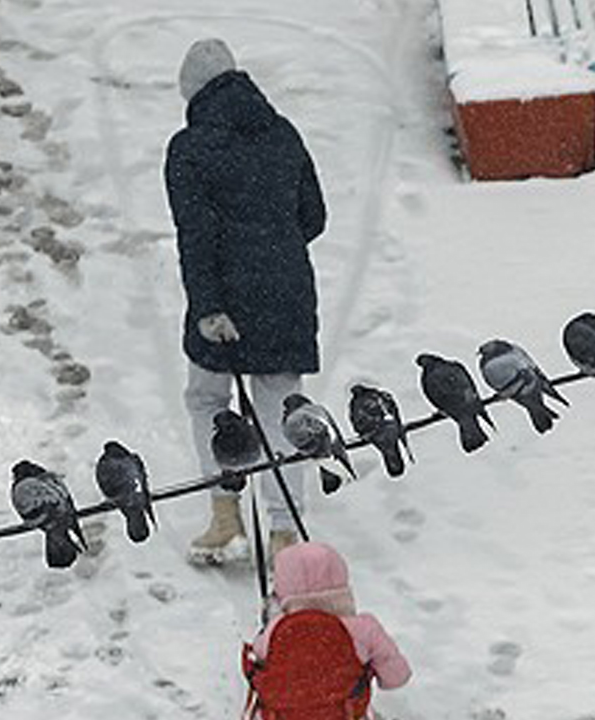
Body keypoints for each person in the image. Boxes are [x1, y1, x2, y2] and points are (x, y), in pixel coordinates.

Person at [164, 38, 327, 565]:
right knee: (282, 409)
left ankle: (225, 515)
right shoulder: (282, 134)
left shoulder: (190, 148)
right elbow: (314, 217)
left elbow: (195, 233)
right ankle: (283, 534)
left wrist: (210, 306)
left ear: (193, 94)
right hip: (286, 293)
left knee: (209, 401)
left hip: (225, 297)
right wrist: (271, 247)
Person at [243, 542, 411, 719]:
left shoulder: (275, 631)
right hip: (345, 713)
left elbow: (257, 670)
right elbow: (397, 676)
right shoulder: (364, 629)